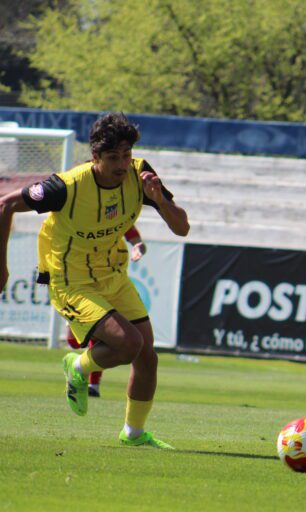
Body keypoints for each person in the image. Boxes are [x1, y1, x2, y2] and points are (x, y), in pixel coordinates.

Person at [0, 112, 189, 449]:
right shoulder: (65, 186)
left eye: (126, 155)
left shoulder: (141, 175)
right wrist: (2, 267)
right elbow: (6, 205)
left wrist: (159, 199)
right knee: (130, 344)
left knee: (148, 357)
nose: (122, 165)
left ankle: (133, 434)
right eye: (113, 157)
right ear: (95, 157)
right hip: (70, 281)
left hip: (113, 275)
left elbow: (182, 228)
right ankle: (78, 365)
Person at [63, 225, 148, 398]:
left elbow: (137, 241)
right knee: (74, 342)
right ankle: (78, 366)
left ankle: (93, 385)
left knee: (139, 348)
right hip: (81, 285)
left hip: (113, 286)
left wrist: (138, 248)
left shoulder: (119, 217)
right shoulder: (79, 216)